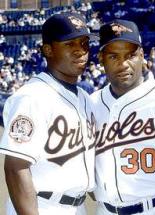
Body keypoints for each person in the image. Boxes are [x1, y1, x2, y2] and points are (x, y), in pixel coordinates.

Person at [0, 12, 96, 215]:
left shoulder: (85, 98)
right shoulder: (32, 97)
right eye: (70, 44)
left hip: (78, 207)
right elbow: (16, 168)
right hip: (43, 206)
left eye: (84, 43)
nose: (81, 51)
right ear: (48, 50)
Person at [91, 19, 155, 215]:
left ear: (142, 55)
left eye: (131, 55)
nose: (123, 63)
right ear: (101, 59)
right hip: (104, 210)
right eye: (113, 56)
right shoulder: (90, 105)